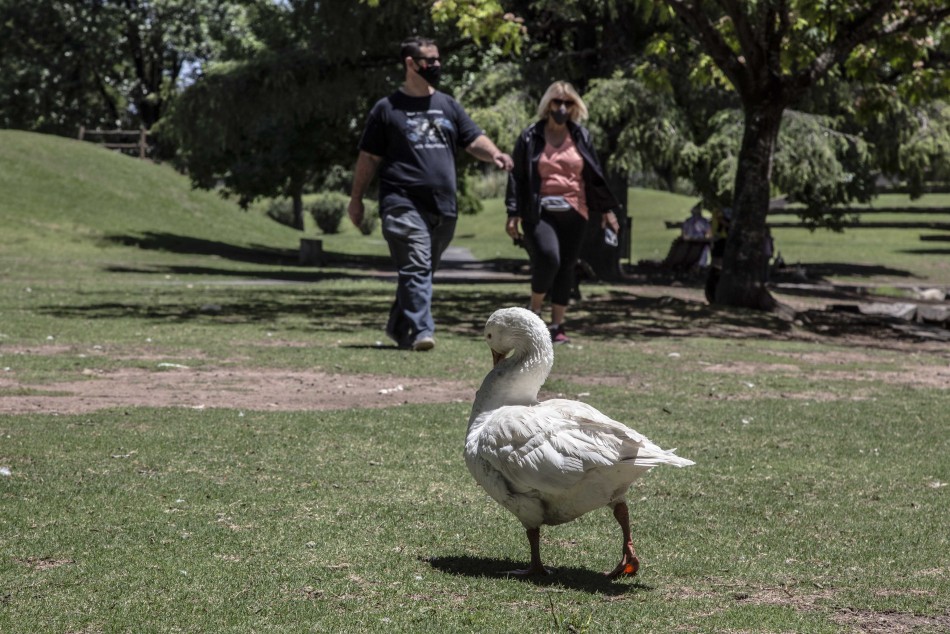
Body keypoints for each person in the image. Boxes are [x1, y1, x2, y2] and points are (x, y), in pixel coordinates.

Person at [348, 37, 513, 351]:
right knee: (417, 265)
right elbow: (368, 158)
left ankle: (398, 327)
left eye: (438, 59)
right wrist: (356, 199)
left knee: (420, 270)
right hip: (401, 200)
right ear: (411, 63)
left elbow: (473, 138)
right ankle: (424, 329)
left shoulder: (448, 105)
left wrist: (495, 155)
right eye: (429, 60)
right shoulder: (386, 109)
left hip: (443, 205)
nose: (436, 65)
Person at [504, 81, 622, 344]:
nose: (562, 108)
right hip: (540, 210)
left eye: (568, 103)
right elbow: (519, 177)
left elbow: (594, 176)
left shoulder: (580, 135)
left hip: (576, 210)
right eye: (557, 102)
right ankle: (534, 313)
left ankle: (557, 325)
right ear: (548, 105)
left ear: (574, 106)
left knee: (567, 266)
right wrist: (513, 212)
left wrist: (606, 210)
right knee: (548, 258)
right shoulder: (530, 136)